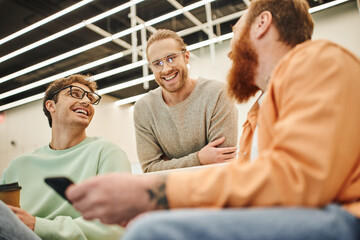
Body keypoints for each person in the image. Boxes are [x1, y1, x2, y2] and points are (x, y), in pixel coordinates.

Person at [66, 1, 360, 239]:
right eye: (157, 63)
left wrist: (156, 193)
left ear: (262, 23)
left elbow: (299, 181)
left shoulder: (317, 60)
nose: (230, 50)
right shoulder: (263, 107)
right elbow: (260, 189)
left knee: (153, 232)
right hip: (312, 212)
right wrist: (170, 204)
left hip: (344, 216)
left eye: (234, 29)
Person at [0, 74, 131, 240]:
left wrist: (37, 225)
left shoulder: (107, 152)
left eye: (90, 98)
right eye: (75, 94)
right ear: (51, 106)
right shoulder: (17, 165)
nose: (86, 102)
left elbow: (114, 227)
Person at [134, 29, 238, 172]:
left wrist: (168, 164)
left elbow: (221, 160)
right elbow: (150, 168)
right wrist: (199, 159)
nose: (166, 69)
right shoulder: (143, 109)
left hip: (217, 192)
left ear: (186, 56)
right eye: (157, 63)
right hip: (172, 194)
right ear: (151, 68)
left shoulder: (218, 93)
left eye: (171, 58)